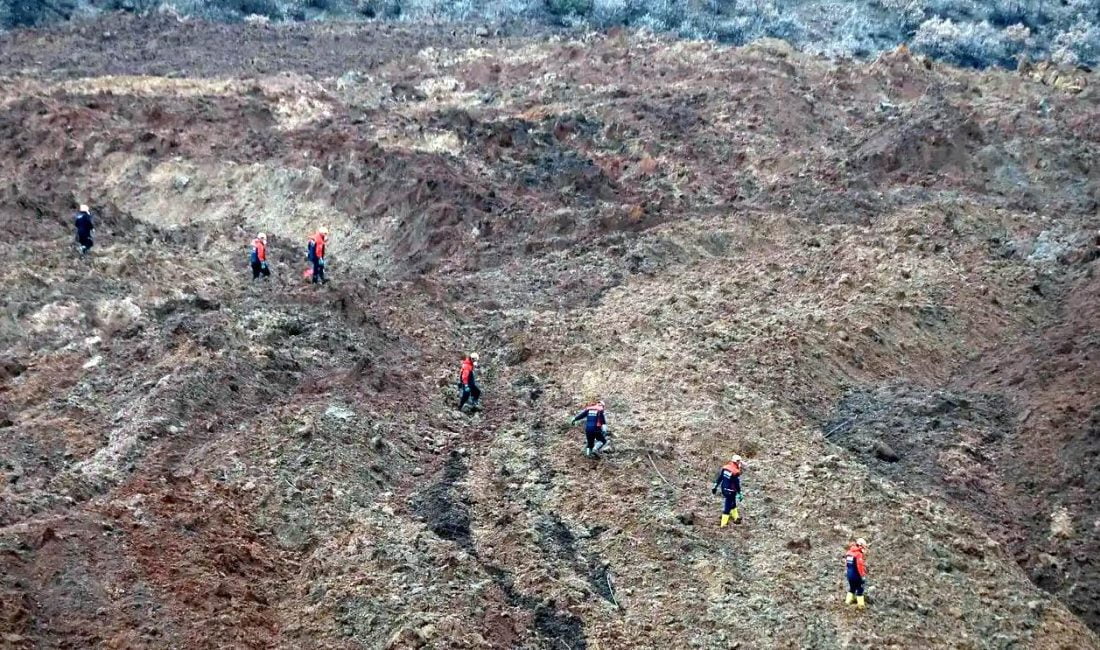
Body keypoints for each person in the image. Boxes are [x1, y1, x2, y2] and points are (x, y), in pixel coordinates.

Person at [711, 455, 743, 527]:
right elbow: (736, 484)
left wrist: (715, 486)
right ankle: (723, 524)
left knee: (733, 502)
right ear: (736, 462)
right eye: (739, 461)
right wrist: (739, 492)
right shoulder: (735, 472)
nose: (740, 463)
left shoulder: (725, 468)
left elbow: (720, 478)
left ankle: (736, 517)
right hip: (731, 490)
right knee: (728, 506)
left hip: (724, 489)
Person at [845, 538, 869, 609]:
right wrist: (862, 576)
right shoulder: (858, 554)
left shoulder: (849, 553)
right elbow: (860, 566)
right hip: (856, 575)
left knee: (852, 588)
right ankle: (861, 606)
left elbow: (847, 564)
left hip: (849, 575)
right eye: (864, 547)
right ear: (861, 545)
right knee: (860, 589)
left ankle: (847, 602)